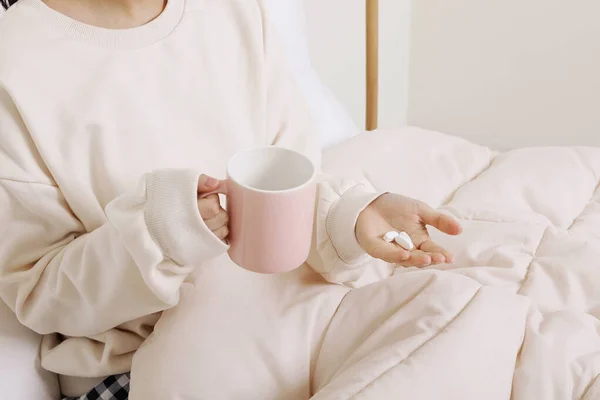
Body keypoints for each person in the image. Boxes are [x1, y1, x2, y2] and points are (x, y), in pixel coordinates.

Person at [0, 0, 462, 398]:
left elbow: (295, 178)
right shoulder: (16, 63)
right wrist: (163, 231)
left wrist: (353, 216)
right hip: (142, 368)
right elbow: (40, 293)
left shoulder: (236, 12)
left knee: (459, 334)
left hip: (283, 321)